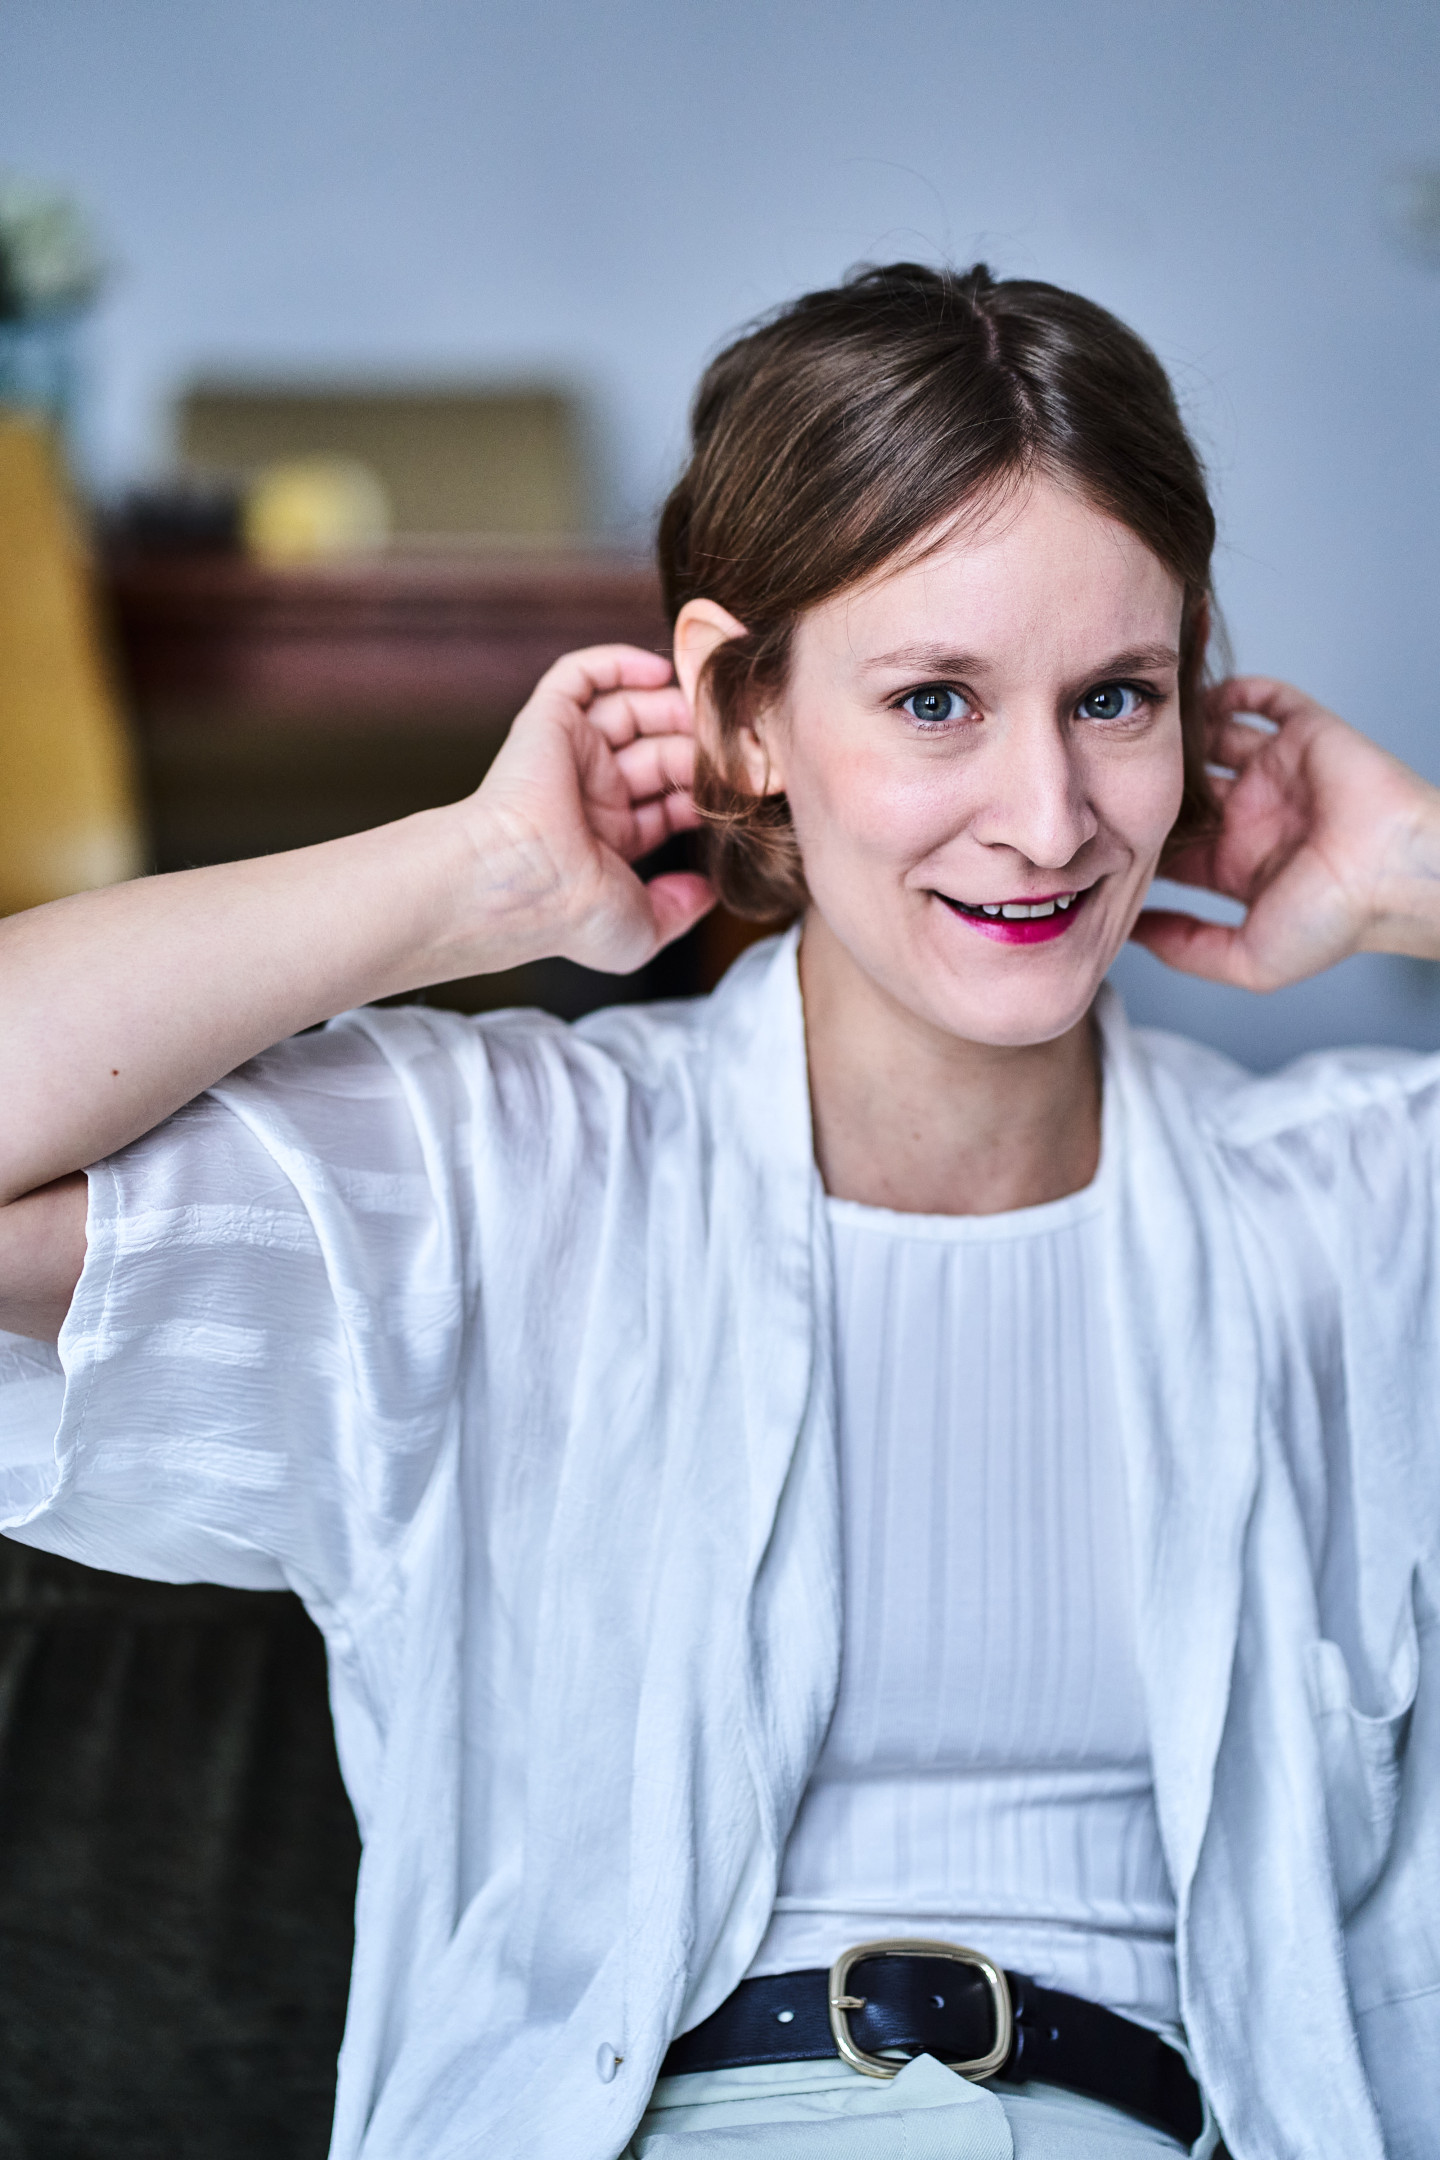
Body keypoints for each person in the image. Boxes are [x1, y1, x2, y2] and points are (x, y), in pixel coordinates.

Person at [0, 263, 1436, 2160]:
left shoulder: (1355, 1214)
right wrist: (474, 875)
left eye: (1115, 697)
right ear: (740, 709)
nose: (1048, 815)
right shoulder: (519, 1183)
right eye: (935, 700)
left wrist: (1416, 872)